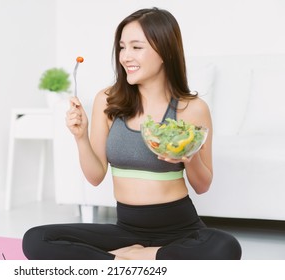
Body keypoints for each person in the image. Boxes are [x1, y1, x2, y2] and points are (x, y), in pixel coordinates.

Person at [23, 7, 242, 260]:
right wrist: (80, 136)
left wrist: (188, 157)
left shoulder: (192, 108)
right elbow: (95, 177)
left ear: (164, 51)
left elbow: (203, 185)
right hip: (125, 231)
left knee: (226, 247)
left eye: (136, 47)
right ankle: (130, 260)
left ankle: (135, 259)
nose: (125, 56)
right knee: (36, 239)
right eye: (122, 47)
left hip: (180, 229)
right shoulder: (108, 101)